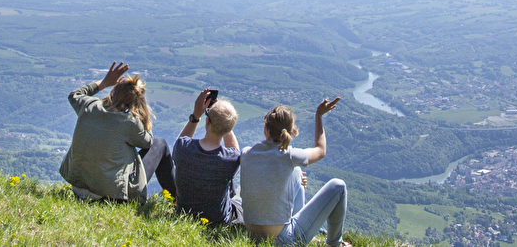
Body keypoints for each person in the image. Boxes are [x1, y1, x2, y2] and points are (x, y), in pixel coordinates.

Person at [59, 61, 176, 203]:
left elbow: (75, 95)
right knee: (160, 144)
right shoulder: (129, 122)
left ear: (113, 91)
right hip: (110, 195)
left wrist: (104, 82)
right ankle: (177, 201)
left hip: (78, 187)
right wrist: (143, 116)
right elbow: (147, 143)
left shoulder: (89, 106)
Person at [240, 98, 350, 247]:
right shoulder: (289, 156)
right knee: (339, 186)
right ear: (290, 132)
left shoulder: (246, 153)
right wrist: (318, 115)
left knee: (297, 172)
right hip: (284, 241)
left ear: (266, 129)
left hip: (253, 236)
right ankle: (334, 244)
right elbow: (321, 150)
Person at [172, 89, 243, 226]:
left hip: (184, 214)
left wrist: (196, 115)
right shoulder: (230, 160)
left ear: (207, 122)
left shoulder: (183, 148)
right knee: (239, 201)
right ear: (229, 128)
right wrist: (225, 122)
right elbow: (234, 149)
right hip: (217, 221)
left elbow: (181, 140)